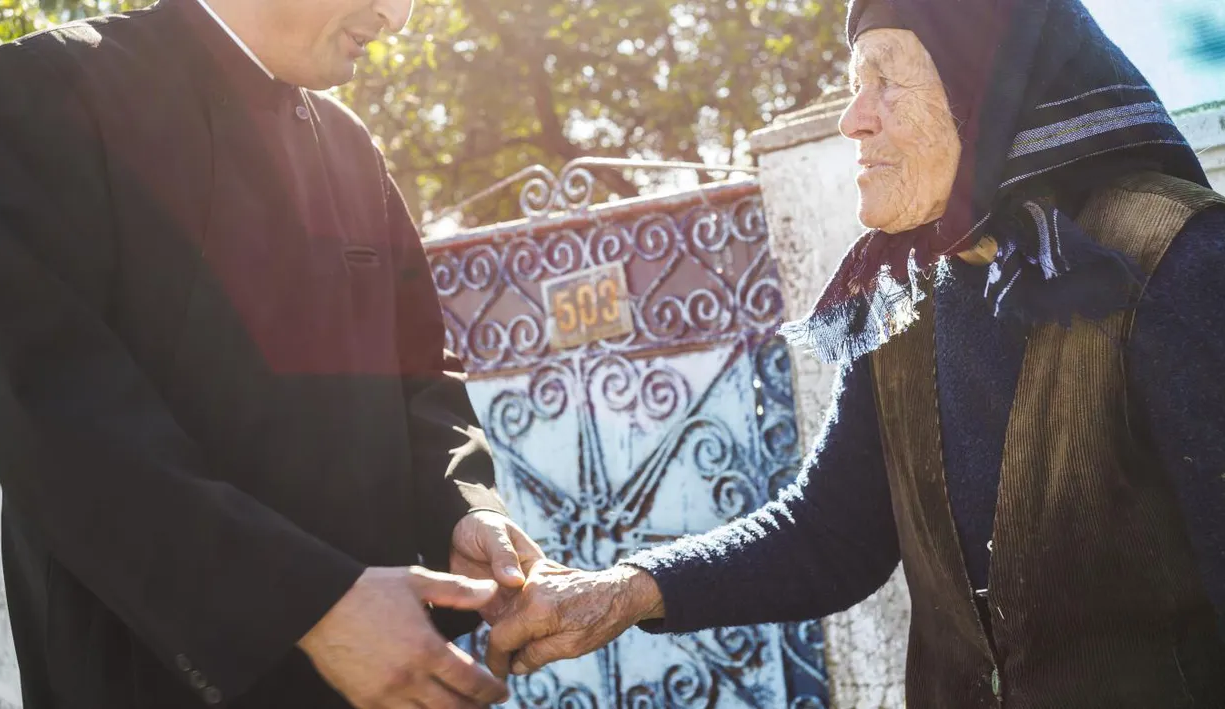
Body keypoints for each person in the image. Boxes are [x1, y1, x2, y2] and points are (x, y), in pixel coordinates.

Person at [481, 0, 1225, 706]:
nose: (852, 118)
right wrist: (623, 590)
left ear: (988, 89)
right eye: (853, 83)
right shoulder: (905, 286)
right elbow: (834, 531)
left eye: (886, 79)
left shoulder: (1176, 262)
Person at [0, 0, 544, 707]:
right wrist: (305, 604)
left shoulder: (350, 145)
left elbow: (420, 375)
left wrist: (462, 508)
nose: (396, 17)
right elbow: (55, 413)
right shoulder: (43, 90)